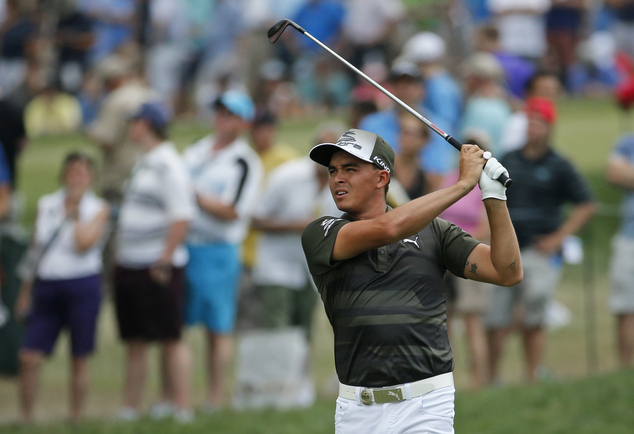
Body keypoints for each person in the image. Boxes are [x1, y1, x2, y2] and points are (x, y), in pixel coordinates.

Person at [301, 128, 522, 433]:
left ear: (381, 178)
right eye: (333, 170)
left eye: (350, 169)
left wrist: (494, 197)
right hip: (356, 409)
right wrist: (463, 184)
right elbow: (390, 228)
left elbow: (507, 271)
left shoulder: (436, 232)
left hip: (426, 404)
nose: (338, 178)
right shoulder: (321, 232)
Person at [486, 97, 596, 384]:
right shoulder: (508, 159)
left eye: (539, 123)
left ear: (549, 128)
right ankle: (491, 379)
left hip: (539, 250)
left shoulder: (559, 165)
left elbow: (586, 204)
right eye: (530, 123)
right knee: (495, 317)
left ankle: (533, 376)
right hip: (505, 249)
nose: (533, 129)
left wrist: (559, 237)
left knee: (534, 315)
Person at [113, 101, 196, 422]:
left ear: (147, 124)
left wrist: (163, 260)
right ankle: (130, 407)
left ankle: (182, 406)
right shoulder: (144, 161)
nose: (130, 126)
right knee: (134, 339)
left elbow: (181, 216)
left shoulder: (167, 163)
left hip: (157, 264)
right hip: (131, 262)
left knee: (170, 338)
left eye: (134, 121)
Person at [14, 152, 109, 424]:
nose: (77, 178)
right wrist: (24, 291)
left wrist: (76, 212)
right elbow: (35, 250)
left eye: (83, 173)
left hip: (82, 284)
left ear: (91, 178)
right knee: (29, 357)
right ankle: (25, 418)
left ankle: (76, 418)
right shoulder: (47, 205)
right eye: (72, 172)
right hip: (48, 285)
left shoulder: (98, 208)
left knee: (79, 357)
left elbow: (83, 243)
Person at [182, 90, 263, 412]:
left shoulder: (245, 161)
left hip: (219, 251)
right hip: (187, 246)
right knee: (179, 328)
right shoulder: (197, 150)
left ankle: (214, 398)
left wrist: (195, 198)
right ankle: (179, 399)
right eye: (219, 112)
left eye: (230, 114)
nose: (221, 118)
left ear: (243, 122)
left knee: (218, 328)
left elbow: (233, 210)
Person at [606, 131, 634, 368]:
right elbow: (614, 173)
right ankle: (625, 369)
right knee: (625, 307)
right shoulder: (627, 142)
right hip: (629, 238)